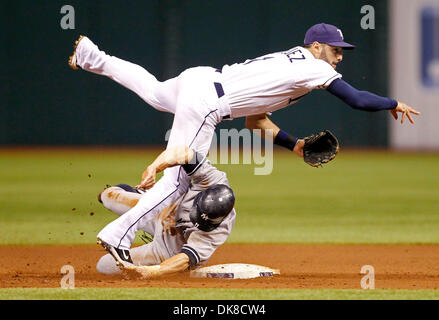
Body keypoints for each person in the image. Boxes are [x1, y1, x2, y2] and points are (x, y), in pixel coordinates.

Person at [68, 22, 420, 254]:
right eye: (335, 48)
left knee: (157, 93)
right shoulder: (316, 67)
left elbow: (256, 122)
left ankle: (92, 56)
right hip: (209, 101)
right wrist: (393, 102)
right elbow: (356, 99)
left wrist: (294, 145)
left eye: (342, 50)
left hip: (201, 80)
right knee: (177, 183)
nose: (340, 56)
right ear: (316, 46)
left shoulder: (293, 64)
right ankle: (118, 236)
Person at [96, 145, 236, 278]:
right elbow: (184, 152)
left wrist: (153, 271)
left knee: (104, 265)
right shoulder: (212, 180)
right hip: (165, 210)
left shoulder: (218, 232)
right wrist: (154, 168)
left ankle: (145, 197)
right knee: (107, 195)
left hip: (169, 247)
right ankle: (143, 194)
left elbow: (186, 259)